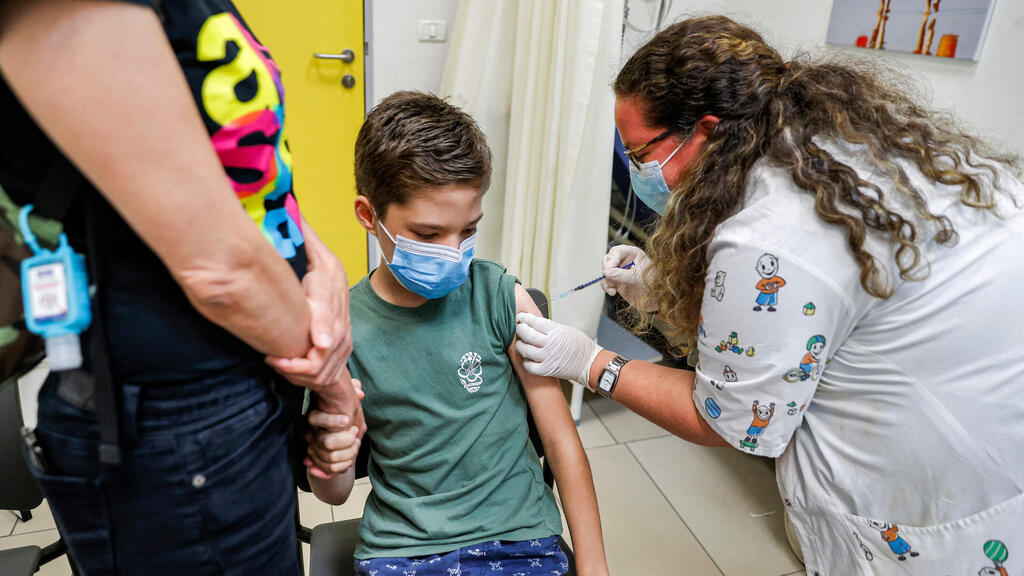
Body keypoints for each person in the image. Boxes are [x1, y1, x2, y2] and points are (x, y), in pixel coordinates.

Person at [513, 15, 1024, 576]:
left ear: (705, 131)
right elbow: (817, 300)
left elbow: (729, 420)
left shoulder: (774, 234)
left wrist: (590, 362)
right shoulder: (848, 147)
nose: (639, 171)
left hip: (938, 492)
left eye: (640, 155)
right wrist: (666, 287)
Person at [0, 1, 362, 574]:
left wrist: (324, 264)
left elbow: (234, 182)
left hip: (238, 385)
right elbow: (219, 270)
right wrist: (334, 377)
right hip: (174, 422)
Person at [306, 91, 609, 576]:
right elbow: (333, 493)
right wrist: (331, 453)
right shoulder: (342, 327)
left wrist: (594, 566)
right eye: (428, 235)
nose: (454, 252)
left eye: (468, 230)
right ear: (369, 216)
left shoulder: (497, 296)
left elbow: (560, 442)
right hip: (400, 550)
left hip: (519, 539)